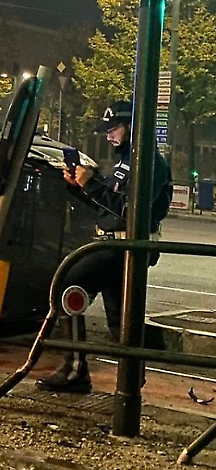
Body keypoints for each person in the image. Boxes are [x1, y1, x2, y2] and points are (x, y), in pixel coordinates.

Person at [37, 100, 173, 393]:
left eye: (113, 129)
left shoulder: (147, 161)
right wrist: (81, 187)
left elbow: (129, 210)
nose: (108, 136)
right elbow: (108, 208)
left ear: (132, 128)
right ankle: (132, 374)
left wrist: (92, 186)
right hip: (116, 244)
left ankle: (76, 371)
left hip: (125, 246)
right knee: (119, 321)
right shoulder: (128, 160)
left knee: (67, 285)